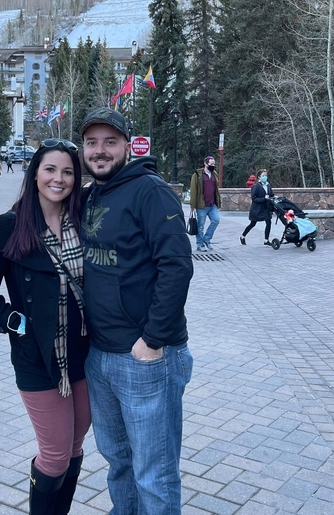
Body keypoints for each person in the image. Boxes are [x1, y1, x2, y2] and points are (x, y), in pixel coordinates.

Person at [78, 107, 193, 515]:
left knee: (154, 472)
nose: (100, 150)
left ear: (127, 146)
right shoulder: (91, 195)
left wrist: (152, 340)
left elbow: (177, 266)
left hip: (145, 358)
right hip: (100, 356)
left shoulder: (150, 191)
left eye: (110, 142)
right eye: (92, 142)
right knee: (119, 462)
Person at [0, 139, 90, 514]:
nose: (59, 179)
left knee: (74, 447)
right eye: (50, 169)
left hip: (84, 355)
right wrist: (15, 323)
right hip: (37, 357)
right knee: (54, 455)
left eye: (68, 172)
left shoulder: (83, 220)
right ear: (35, 173)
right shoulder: (11, 225)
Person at [189, 156, 222, 252]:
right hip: (202, 205)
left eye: (214, 164)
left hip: (212, 204)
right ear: (205, 164)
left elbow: (216, 190)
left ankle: (207, 239)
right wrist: (192, 205)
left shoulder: (214, 174)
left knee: (216, 220)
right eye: (211, 164)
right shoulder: (197, 175)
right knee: (200, 225)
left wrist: (218, 202)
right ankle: (200, 244)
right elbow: (193, 190)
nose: (213, 166)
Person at [240, 169, 275, 246]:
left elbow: (271, 194)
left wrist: (274, 197)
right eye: (263, 175)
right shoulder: (256, 186)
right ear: (259, 177)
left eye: (266, 175)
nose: (265, 177)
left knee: (268, 222)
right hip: (257, 209)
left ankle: (266, 240)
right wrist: (264, 198)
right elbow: (254, 198)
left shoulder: (268, 185)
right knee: (253, 224)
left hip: (265, 208)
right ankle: (243, 236)